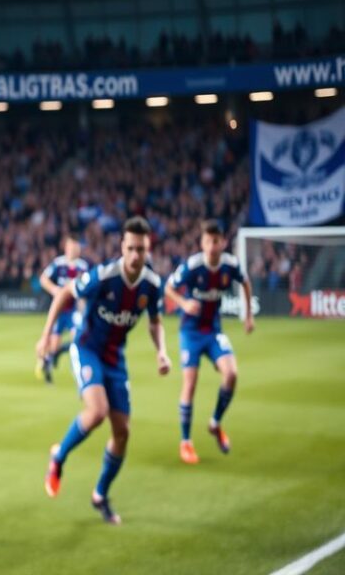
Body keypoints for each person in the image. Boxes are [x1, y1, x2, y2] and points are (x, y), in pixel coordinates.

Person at [37, 216, 171, 524]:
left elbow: (155, 322)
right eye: (131, 248)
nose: (135, 255)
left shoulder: (151, 285)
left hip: (115, 359)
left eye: (141, 249)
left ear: (148, 249)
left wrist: (162, 351)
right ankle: (58, 456)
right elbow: (65, 293)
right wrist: (45, 336)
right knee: (97, 411)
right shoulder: (104, 275)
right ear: (122, 247)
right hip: (86, 348)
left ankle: (100, 494)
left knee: (122, 433)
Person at [164, 219, 254, 465]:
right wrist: (183, 303)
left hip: (213, 331)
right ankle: (186, 442)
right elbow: (168, 288)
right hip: (190, 333)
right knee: (190, 384)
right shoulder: (193, 266)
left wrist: (248, 315)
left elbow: (245, 283)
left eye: (216, 241)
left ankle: (215, 423)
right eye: (208, 241)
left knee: (231, 374)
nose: (212, 246)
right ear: (202, 243)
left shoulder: (230, 265)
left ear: (223, 242)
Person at [37, 234, 89, 383]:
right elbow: (43, 279)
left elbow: (86, 289)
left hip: (74, 311)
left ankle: (74, 367)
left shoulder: (83, 266)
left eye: (77, 247)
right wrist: (54, 290)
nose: (75, 249)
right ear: (66, 247)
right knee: (54, 345)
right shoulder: (58, 264)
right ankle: (48, 364)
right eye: (72, 246)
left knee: (77, 340)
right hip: (59, 311)